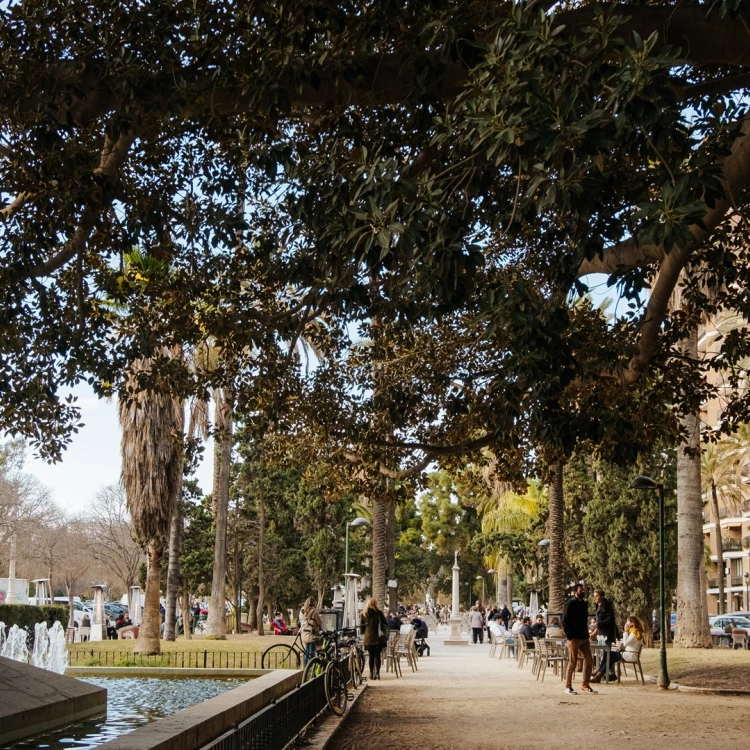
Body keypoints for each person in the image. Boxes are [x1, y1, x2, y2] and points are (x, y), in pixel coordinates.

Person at [562, 584, 597, 695]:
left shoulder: (584, 604)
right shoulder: (570, 604)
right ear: (575, 592)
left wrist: (586, 633)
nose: (583, 592)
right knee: (573, 662)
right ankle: (568, 686)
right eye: (580, 590)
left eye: (583, 590)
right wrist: (569, 635)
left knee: (589, 660)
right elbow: (565, 620)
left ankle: (585, 684)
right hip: (574, 637)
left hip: (584, 636)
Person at [591, 615, 645, 683]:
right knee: (609, 656)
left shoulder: (634, 633)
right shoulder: (634, 631)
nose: (626, 623)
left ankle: (598, 673)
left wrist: (625, 631)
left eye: (628, 621)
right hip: (628, 653)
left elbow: (625, 643)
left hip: (630, 655)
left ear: (632, 623)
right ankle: (598, 676)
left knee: (608, 654)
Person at [590, 588, 617, 680]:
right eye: (594, 596)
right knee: (603, 654)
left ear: (602, 596)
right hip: (601, 635)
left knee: (607, 653)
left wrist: (599, 623)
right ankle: (602, 671)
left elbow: (610, 619)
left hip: (606, 634)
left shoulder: (607, 605)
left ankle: (611, 673)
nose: (595, 598)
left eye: (597, 596)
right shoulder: (598, 606)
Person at [360, 597, 389, 680]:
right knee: (377, 656)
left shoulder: (363, 614)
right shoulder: (379, 613)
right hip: (378, 638)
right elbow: (385, 623)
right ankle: (378, 673)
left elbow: (362, 629)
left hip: (368, 639)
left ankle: (371, 672)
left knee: (371, 656)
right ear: (375, 604)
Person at [300, 597, 322, 665]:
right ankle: (310, 668)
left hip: (304, 633)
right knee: (311, 653)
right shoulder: (314, 611)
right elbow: (320, 622)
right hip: (312, 634)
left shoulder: (302, 611)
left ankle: (305, 667)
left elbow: (301, 620)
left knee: (306, 652)